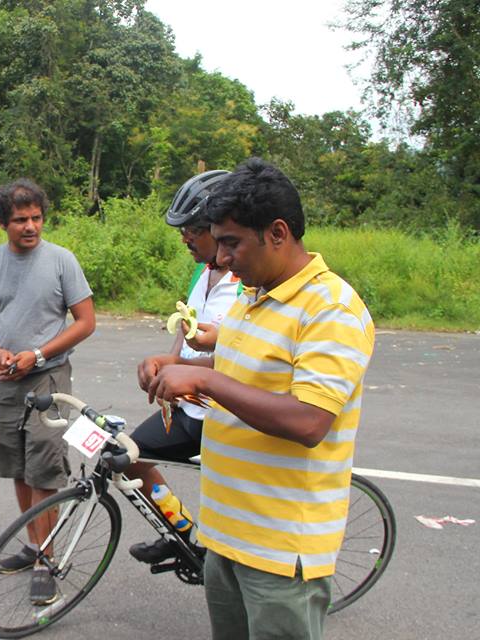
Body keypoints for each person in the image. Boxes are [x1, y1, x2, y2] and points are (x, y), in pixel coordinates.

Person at [148, 158, 375, 640]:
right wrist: (178, 367)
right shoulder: (252, 295)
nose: (221, 258)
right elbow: (237, 370)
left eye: (231, 243)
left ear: (277, 233)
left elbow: (309, 421)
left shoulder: (330, 308)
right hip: (225, 534)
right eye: (218, 242)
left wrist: (204, 383)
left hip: (279, 549)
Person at [0, 178, 96, 605]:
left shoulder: (61, 261)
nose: (30, 226)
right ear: (3, 223)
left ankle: (46, 560)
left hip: (48, 378)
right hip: (6, 380)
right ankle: (34, 543)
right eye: (21, 219)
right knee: (18, 465)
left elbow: (85, 322)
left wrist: (38, 354)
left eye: (37, 218)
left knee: (43, 466)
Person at [125, 170, 241, 565]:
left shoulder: (249, 283)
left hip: (227, 415)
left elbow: (248, 357)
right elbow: (184, 341)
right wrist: (163, 362)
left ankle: (222, 558)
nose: (185, 238)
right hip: (190, 409)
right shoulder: (201, 272)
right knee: (128, 456)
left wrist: (191, 371)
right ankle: (180, 530)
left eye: (192, 229)